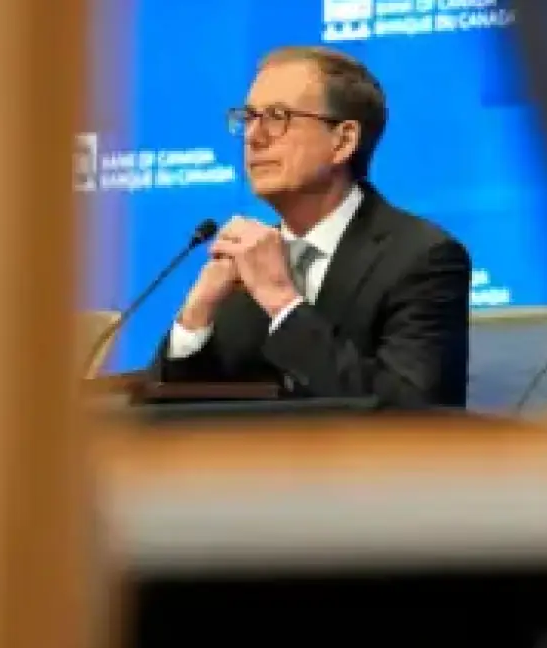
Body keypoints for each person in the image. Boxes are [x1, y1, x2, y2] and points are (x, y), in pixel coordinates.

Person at [150, 46, 472, 408]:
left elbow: (414, 413)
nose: (253, 136)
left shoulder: (421, 258)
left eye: (277, 116)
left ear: (343, 141)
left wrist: (282, 303)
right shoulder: (242, 267)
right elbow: (172, 415)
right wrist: (196, 316)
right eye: (249, 117)